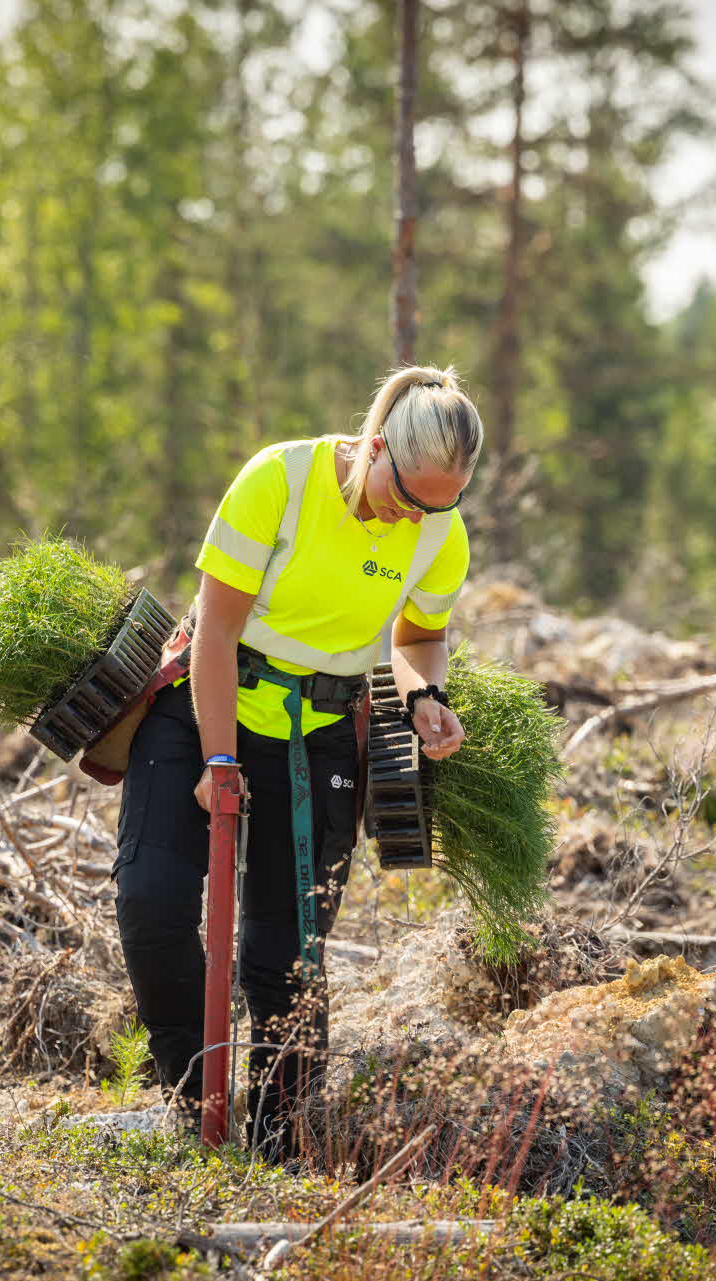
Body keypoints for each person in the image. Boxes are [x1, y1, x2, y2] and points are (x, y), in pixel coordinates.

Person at [113, 364, 482, 1157]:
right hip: (204, 703)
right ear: (375, 448)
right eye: (407, 496)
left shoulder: (439, 531)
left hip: (318, 735)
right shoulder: (278, 479)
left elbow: (417, 637)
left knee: (288, 953)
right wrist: (219, 761)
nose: (413, 516)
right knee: (153, 901)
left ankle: (280, 1140)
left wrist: (424, 696)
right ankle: (186, 1099)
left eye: (438, 505)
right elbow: (214, 633)